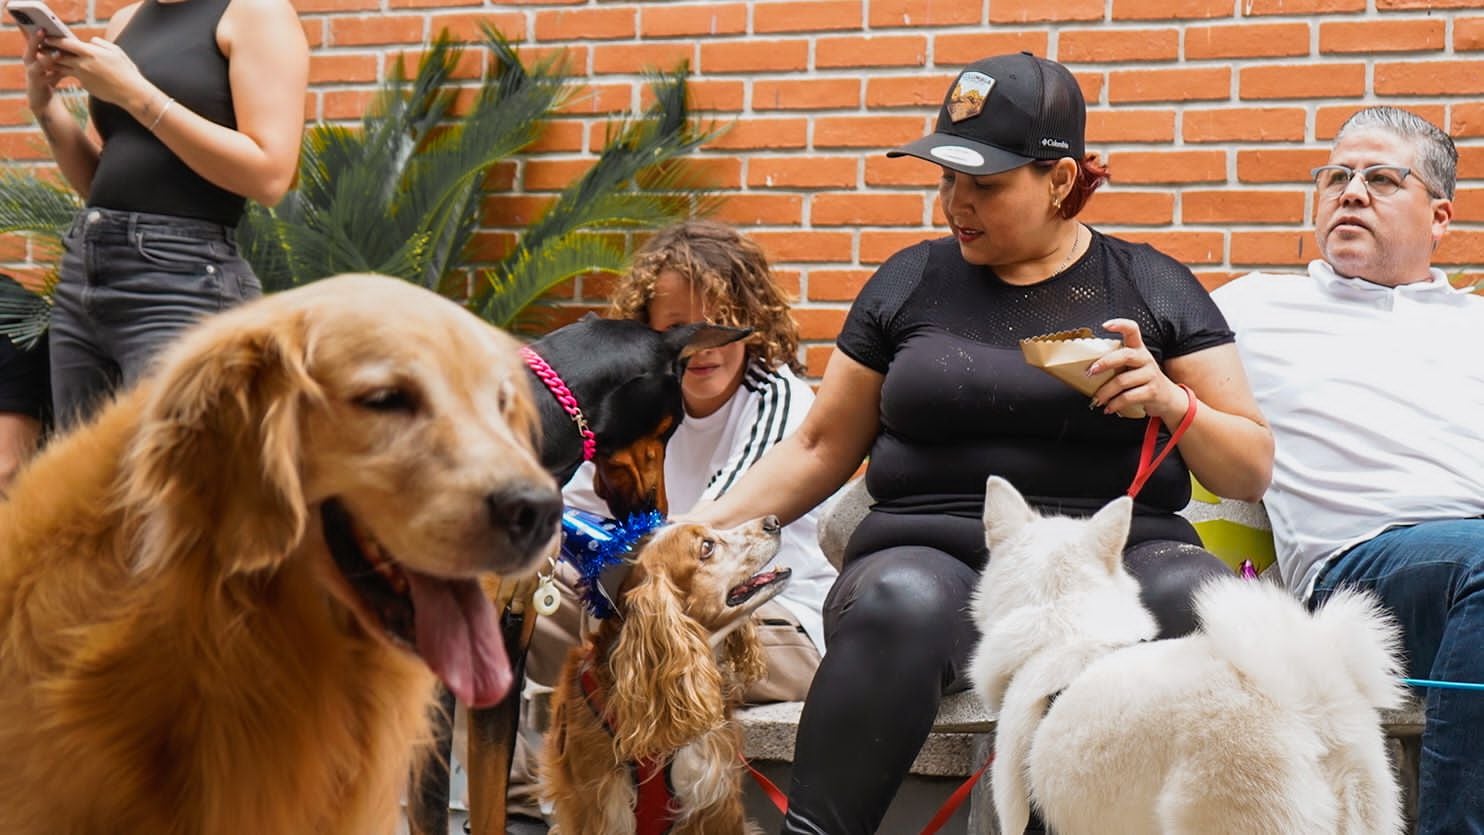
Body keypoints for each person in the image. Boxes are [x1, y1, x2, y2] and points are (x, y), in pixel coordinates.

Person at [685, 52, 1273, 835]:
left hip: (1112, 561)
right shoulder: (908, 282)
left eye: (986, 185)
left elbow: (1251, 463)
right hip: (934, 557)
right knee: (902, 601)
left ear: (1059, 181)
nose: (956, 205)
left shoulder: (1151, 286)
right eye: (946, 179)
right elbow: (819, 447)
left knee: (1196, 598)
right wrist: (695, 529)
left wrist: (1173, 401)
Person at [501, 220, 838, 826]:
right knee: (544, 608)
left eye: (718, 324)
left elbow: (712, 537)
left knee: (653, 631)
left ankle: (676, 804)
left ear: (747, 322)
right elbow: (574, 514)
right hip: (649, 599)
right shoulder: (629, 401)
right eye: (681, 325)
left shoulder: (777, 399)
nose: (703, 348)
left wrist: (612, 555)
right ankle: (535, 801)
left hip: (765, 612)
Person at [1212, 106, 1484, 835]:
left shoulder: (1475, 327)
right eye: (1338, 175)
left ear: (1440, 218)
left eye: (1382, 177)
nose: (1352, 191)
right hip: (1359, 569)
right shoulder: (1253, 307)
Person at [18, 0, 308, 427]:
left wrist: (135, 93)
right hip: (87, 270)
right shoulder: (125, 20)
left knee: (169, 478)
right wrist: (45, 106)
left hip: (183, 281)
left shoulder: (255, 12)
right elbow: (101, 181)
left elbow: (269, 176)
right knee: (86, 481)